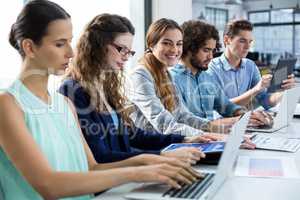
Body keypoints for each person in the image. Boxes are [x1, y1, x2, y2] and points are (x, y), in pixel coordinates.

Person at [0, 1, 200, 199]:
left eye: (70, 42)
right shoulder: (8, 104)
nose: (70, 52)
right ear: (29, 47)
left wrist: (154, 160)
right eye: (60, 44)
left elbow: (93, 167)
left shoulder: (63, 103)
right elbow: (48, 185)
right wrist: (142, 169)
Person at [59, 14, 211, 165]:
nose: (126, 57)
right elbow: (100, 157)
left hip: (127, 176)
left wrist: (184, 139)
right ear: (98, 45)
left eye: (129, 52)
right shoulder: (73, 90)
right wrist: (163, 156)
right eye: (121, 49)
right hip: (112, 182)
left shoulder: (107, 86)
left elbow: (133, 136)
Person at [126, 18, 227, 135]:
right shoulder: (140, 75)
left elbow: (182, 115)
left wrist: (218, 129)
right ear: (151, 44)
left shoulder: (165, 73)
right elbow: (164, 124)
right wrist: (210, 135)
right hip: (150, 148)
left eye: (179, 44)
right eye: (166, 43)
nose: (174, 49)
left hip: (166, 143)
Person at [170, 20, 269, 128]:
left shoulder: (206, 77)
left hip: (212, 137)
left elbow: (226, 106)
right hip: (190, 141)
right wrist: (237, 120)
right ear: (189, 48)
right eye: (206, 50)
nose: (211, 57)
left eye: (212, 51)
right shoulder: (171, 80)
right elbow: (184, 120)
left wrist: (248, 115)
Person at [207, 19, 295, 109]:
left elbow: (265, 100)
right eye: (242, 41)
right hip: (223, 122)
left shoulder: (250, 66)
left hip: (246, 120)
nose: (248, 47)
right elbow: (221, 107)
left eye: (250, 41)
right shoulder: (212, 69)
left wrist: (283, 92)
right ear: (227, 40)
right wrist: (257, 88)